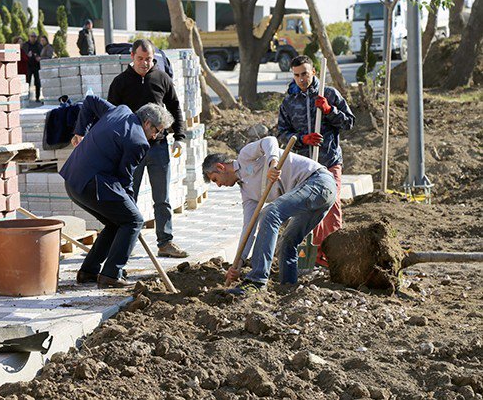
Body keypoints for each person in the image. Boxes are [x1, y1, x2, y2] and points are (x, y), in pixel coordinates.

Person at [61, 96, 174, 288]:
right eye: (156, 131)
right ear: (147, 123)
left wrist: (81, 131)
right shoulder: (138, 142)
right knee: (133, 221)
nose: (155, 137)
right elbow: (125, 179)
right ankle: (112, 275)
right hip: (91, 184)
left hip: (72, 179)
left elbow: (90, 101)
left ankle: (89, 271)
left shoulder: (120, 110)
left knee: (116, 223)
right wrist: (131, 212)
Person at [202, 136, 337, 296]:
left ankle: (256, 281)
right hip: (312, 197)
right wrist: (239, 263)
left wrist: (273, 164)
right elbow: (249, 228)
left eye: (215, 179)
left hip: (319, 182)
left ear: (220, 167)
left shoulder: (245, 156)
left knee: (270, 213)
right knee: (287, 241)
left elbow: (270, 141)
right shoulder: (247, 193)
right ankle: (288, 288)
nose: (218, 185)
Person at [106, 38, 188, 259]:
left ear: (154, 58)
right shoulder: (121, 82)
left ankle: (166, 242)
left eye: (149, 59)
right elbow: (110, 115)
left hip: (159, 147)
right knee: (127, 197)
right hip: (131, 151)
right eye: (140, 59)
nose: (144, 63)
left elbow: (175, 107)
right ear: (132, 56)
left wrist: (180, 136)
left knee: (162, 198)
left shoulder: (162, 78)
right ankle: (127, 243)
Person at [277, 55, 354, 266]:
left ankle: (335, 252)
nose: (301, 79)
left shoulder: (328, 94)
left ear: (313, 72)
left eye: (304, 74)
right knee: (310, 208)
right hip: (305, 167)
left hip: (329, 161)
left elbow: (349, 122)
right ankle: (317, 254)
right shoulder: (289, 101)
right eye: (296, 75)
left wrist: (330, 111)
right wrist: (301, 139)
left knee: (331, 206)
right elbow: (282, 133)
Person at [22, 32, 42, 102]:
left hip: (37, 66)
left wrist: (39, 57)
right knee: (28, 82)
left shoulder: (39, 45)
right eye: (32, 36)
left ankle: (37, 97)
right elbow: (23, 54)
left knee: (37, 83)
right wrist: (28, 55)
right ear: (29, 37)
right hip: (28, 66)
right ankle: (27, 97)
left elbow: (41, 54)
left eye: (35, 36)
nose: (34, 38)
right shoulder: (26, 45)